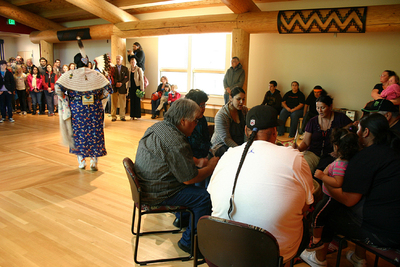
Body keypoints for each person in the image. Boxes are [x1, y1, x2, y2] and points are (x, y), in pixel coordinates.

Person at [208, 105, 314, 264]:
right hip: (270, 255)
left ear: (246, 130)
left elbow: (212, 194)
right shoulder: (295, 158)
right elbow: (305, 207)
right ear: (275, 132)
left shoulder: (228, 155)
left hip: (219, 251)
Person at [301, 113, 400, 267]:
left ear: (366, 132)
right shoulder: (391, 149)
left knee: (327, 213)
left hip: (384, 233)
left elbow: (349, 199)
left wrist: (325, 184)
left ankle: (318, 259)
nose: (357, 133)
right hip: (392, 223)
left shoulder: (365, 157)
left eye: (359, 129)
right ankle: (359, 258)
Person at [134, 98, 219, 254]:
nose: (197, 124)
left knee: (196, 190)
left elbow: (172, 157)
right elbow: (189, 179)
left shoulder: (158, 127)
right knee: (204, 197)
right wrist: (211, 167)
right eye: (195, 120)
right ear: (183, 121)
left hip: (146, 184)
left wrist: (198, 161)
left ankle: (186, 219)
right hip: (157, 192)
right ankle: (189, 242)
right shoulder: (176, 142)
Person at [55, 51, 112, 171]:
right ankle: (93, 161)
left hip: (77, 109)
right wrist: (101, 98)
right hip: (94, 108)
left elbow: (58, 88)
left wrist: (65, 99)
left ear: (75, 63)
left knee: (79, 134)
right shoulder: (96, 74)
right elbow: (108, 88)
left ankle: (81, 161)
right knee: (94, 133)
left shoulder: (69, 75)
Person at [306, 127, 359, 251]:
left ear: (338, 147)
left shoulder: (341, 164)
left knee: (317, 215)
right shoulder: (344, 161)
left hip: (330, 198)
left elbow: (337, 182)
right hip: (328, 195)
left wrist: (323, 176)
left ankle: (316, 240)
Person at [294, 95, 352, 175]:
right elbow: (306, 143)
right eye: (317, 108)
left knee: (322, 173)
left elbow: (351, 133)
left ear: (330, 106)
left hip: (332, 154)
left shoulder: (340, 118)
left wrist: (339, 151)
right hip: (313, 153)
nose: (320, 110)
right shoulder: (312, 121)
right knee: (302, 170)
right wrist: (298, 148)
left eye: (323, 107)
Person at [211, 87, 248, 157]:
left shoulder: (244, 110)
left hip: (239, 145)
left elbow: (246, 131)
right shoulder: (221, 115)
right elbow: (226, 139)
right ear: (231, 98)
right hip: (222, 145)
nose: (241, 102)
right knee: (232, 156)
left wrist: (246, 147)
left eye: (243, 99)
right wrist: (240, 150)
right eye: (238, 99)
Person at [186, 89, 212, 187]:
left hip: (203, 156)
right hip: (190, 160)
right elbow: (191, 144)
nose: (203, 108)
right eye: (201, 106)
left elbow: (206, 139)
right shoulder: (186, 121)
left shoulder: (202, 119)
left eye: (204, 105)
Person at [111, 55, 129, 122]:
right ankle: (113, 116)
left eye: (119, 59)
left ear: (121, 60)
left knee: (122, 103)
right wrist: (116, 83)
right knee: (114, 102)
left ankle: (122, 116)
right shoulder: (113, 68)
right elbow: (112, 76)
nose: (118, 60)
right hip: (115, 87)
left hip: (122, 87)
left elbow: (127, 78)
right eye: (117, 59)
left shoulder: (125, 68)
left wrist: (121, 83)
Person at [128, 55, 144, 120]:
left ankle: (138, 115)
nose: (133, 63)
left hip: (137, 87)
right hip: (131, 87)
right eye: (132, 62)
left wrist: (142, 88)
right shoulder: (129, 70)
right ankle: (132, 115)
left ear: (136, 62)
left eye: (134, 62)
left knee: (137, 101)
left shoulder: (139, 69)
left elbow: (141, 79)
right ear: (130, 63)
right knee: (132, 101)